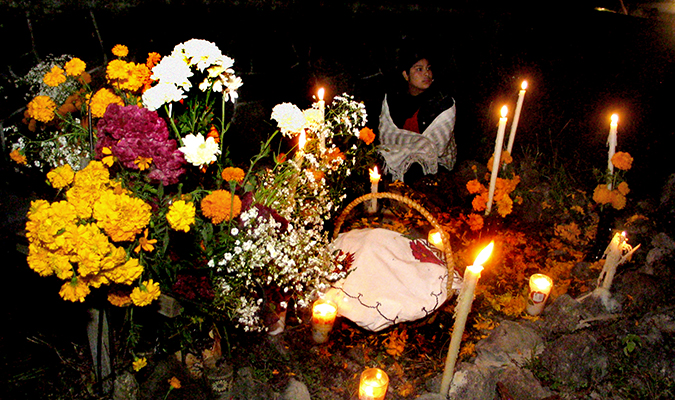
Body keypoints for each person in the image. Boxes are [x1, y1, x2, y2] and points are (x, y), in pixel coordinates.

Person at [378, 49, 457, 183]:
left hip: (433, 163)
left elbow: (434, 148)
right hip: (396, 154)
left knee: (414, 170)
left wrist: (405, 146)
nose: (427, 74)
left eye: (429, 68)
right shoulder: (393, 99)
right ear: (406, 75)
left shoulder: (444, 103)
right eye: (419, 69)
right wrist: (415, 144)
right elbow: (385, 136)